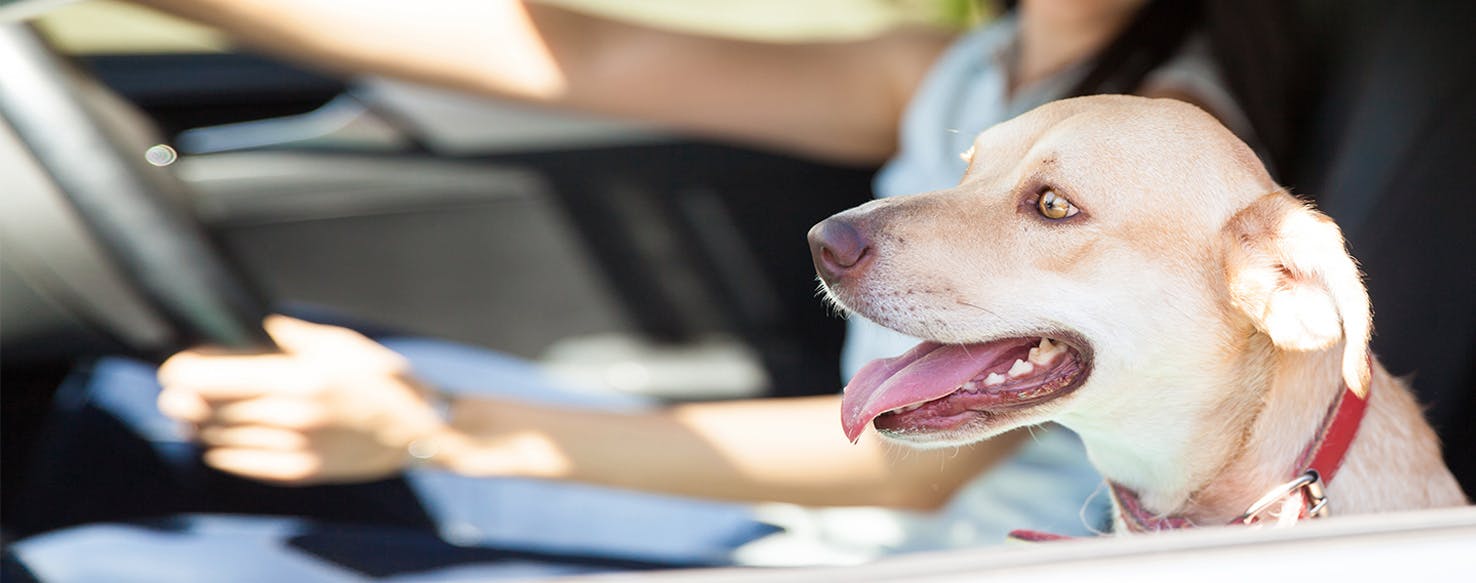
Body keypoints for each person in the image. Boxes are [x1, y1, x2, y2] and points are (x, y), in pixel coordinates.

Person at [8, 0, 1305, 579]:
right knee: (124, 415)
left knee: (92, 564)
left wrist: (432, 430)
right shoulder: (978, 68)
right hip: (852, 530)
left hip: (944, 558)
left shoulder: (1160, 136)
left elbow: (914, 465)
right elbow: (585, 46)